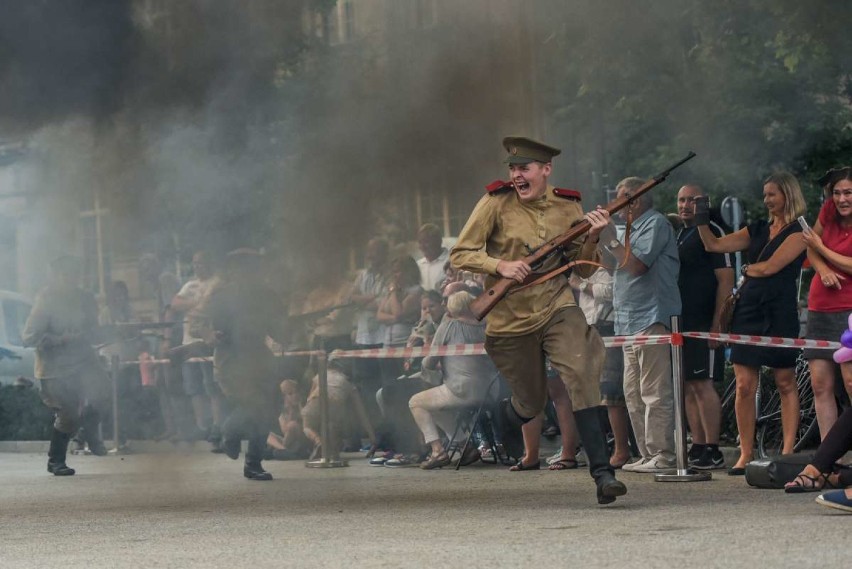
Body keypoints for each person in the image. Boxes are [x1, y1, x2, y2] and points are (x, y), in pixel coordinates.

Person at [451, 136, 626, 504]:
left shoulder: (569, 206)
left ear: (546, 170)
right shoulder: (495, 203)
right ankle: (506, 419)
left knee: (581, 370)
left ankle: (602, 474)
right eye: (513, 168)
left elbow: (583, 263)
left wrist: (593, 234)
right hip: (509, 317)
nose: (517, 175)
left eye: (524, 168)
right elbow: (461, 253)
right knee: (530, 402)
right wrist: (499, 265)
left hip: (556, 304)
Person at [694, 172, 807, 475]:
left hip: (780, 310)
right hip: (748, 308)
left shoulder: (799, 231)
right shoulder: (756, 228)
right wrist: (701, 220)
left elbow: (772, 267)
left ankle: (786, 451)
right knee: (744, 384)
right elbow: (715, 246)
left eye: (773, 194)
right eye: (765, 194)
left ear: (788, 194)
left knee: (785, 381)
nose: (767, 199)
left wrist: (748, 267)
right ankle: (745, 453)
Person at [586, 177, 681, 473]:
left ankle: (663, 454)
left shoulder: (656, 224)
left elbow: (638, 266)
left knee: (654, 391)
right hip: (627, 320)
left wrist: (612, 238)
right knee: (633, 393)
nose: (614, 204)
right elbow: (606, 266)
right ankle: (647, 453)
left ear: (635, 201)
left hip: (651, 316)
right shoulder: (627, 228)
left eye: (619, 198)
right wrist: (596, 237)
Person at [191, 249, 289, 481]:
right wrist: (208, 335)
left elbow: (280, 331)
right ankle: (229, 431)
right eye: (242, 267)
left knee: (268, 409)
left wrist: (290, 327)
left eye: (252, 267)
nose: (247, 272)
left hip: (259, 357)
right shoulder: (221, 295)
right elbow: (198, 323)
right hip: (231, 360)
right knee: (254, 405)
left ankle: (253, 463)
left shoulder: (267, 296)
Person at [22, 256, 110, 476]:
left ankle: (89, 429)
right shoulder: (46, 299)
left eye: (74, 273)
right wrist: (60, 340)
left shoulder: (85, 298)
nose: (71, 278)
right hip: (54, 367)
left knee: (104, 393)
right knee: (68, 413)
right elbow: (30, 337)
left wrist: (111, 331)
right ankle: (56, 461)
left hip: (83, 361)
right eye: (66, 273)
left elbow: (93, 329)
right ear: (56, 275)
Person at [675, 185, 735, 470]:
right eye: (682, 200)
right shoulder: (679, 234)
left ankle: (713, 447)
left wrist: (718, 325)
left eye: (692, 200)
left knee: (703, 384)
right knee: (687, 385)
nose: (686, 205)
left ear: (704, 204)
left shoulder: (711, 232)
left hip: (703, 323)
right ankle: (697, 444)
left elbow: (726, 280)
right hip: (681, 323)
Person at [408, 291, 500, 469]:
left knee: (416, 402)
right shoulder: (488, 325)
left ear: (451, 308)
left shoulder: (448, 326)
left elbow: (429, 362)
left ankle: (438, 451)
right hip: (490, 391)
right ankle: (465, 446)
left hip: (461, 390)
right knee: (434, 407)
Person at [800, 167, 852, 439]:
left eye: (848, 193)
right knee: (821, 386)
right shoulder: (827, 212)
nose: (842, 199)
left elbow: (818, 246)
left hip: (849, 312)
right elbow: (810, 247)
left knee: (850, 384)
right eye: (837, 193)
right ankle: (829, 460)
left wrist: (822, 249)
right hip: (820, 307)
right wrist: (822, 270)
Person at [570, 267, 631, 468]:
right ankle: (602, 448)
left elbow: (613, 292)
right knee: (594, 393)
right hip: (589, 328)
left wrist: (581, 285)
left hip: (607, 326)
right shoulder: (583, 268)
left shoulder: (607, 265)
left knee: (611, 392)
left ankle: (621, 449)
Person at [171, 251, 223, 450]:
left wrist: (201, 306)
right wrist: (196, 303)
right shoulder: (190, 285)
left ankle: (217, 426)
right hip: (189, 342)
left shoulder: (216, 283)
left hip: (208, 342)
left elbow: (213, 306)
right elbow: (176, 303)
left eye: (201, 263)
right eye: (195, 264)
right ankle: (203, 426)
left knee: (212, 386)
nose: (197, 267)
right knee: (194, 388)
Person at [417, 223, 449, 292]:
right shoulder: (418, 265)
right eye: (420, 242)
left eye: (426, 242)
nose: (422, 247)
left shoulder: (451, 262)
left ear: (439, 241)